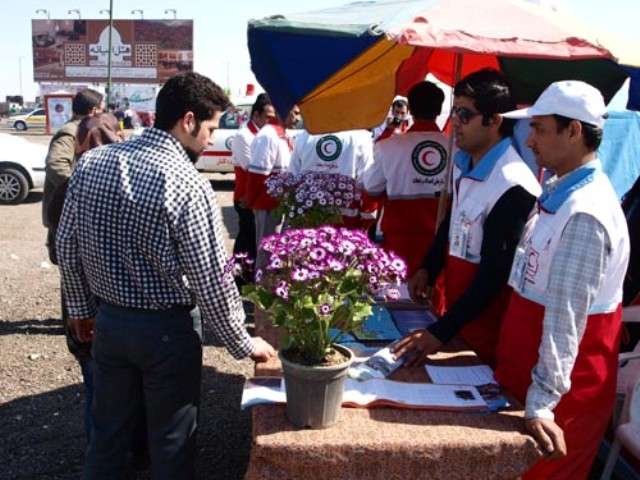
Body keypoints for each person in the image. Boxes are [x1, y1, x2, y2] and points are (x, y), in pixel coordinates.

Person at [56, 72, 276, 480]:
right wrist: (243, 343)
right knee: (171, 444)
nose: (213, 139)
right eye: (211, 128)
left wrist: (81, 310)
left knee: (107, 438)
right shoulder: (188, 183)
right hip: (166, 333)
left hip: (108, 323)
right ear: (188, 120)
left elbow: (67, 246)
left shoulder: (91, 163)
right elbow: (212, 279)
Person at [494, 81, 630, 479]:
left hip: (562, 398)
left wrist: (542, 403)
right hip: (527, 378)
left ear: (574, 131)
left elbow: (566, 318)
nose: (530, 140)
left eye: (540, 129)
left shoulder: (586, 212)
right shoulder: (560, 193)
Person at [391, 68, 541, 368]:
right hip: (459, 315)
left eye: (464, 114)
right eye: (454, 111)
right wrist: (428, 268)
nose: (455, 122)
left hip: (488, 322)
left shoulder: (513, 184)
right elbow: (452, 220)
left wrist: (440, 332)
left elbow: (494, 275)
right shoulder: (464, 161)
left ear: (495, 121)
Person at [364, 80, 453, 278]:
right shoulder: (457, 148)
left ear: (410, 109)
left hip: (399, 240)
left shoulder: (388, 147)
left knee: (395, 298)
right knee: (434, 304)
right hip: (441, 242)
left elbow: (370, 189)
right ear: (439, 110)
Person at [42, 88, 104, 266]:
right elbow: (56, 164)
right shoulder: (71, 131)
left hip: (73, 213)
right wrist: (81, 190)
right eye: (102, 110)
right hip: (63, 213)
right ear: (93, 111)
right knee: (70, 267)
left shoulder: (84, 130)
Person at [245, 106, 301, 269]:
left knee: (277, 252)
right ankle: (262, 290)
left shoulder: (282, 134)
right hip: (268, 205)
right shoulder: (268, 136)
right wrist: (254, 203)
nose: (298, 118)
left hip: (279, 205)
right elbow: (257, 176)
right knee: (267, 254)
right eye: (295, 113)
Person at [290, 128, 377, 229]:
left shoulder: (304, 136)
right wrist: (367, 218)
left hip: (308, 215)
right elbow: (366, 182)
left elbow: (293, 177)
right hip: (346, 220)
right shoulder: (362, 138)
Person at [231, 93, 276, 280]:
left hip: (257, 196)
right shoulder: (244, 135)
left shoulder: (265, 134)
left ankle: (249, 277)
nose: (271, 121)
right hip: (245, 196)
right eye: (268, 117)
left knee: (254, 240)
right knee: (246, 240)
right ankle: (239, 278)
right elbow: (251, 169)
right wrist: (249, 197)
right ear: (256, 115)